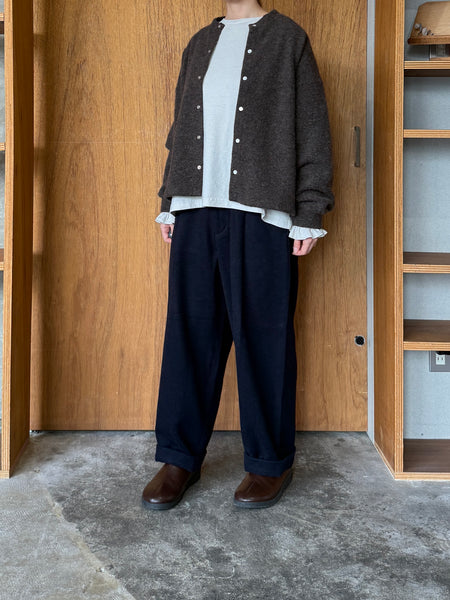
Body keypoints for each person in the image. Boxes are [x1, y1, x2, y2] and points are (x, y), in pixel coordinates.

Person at [142, 0, 334, 510]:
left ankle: (270, 462)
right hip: (195, 207)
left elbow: (312, 127)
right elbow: (180, 128)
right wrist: (169, 200)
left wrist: (310, 208)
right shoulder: (200, 42)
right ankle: (179, 456)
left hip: (261, 212)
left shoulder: (288, 39)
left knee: (265, 336)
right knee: (189, 333)